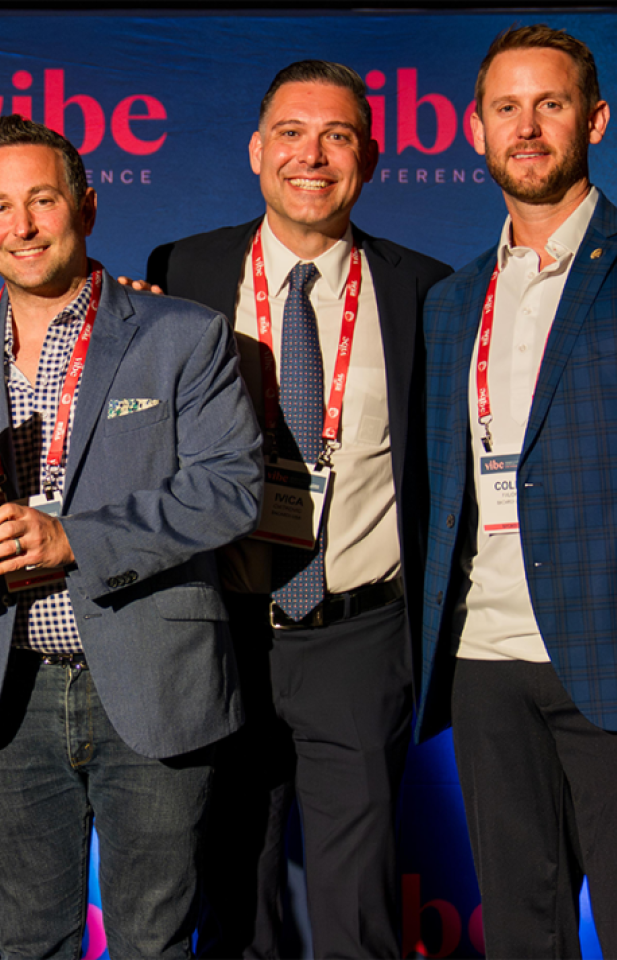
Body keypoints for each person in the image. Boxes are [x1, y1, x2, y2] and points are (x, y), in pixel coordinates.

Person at [0, 114, 262, 960]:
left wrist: (75, 541)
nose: (21, 226)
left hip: (149, 681)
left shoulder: (180, 335)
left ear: (88, 207)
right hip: (3, 690)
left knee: (153, 941)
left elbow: (229, 488)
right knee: (28, 943)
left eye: (42, 201)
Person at [146, 61, 451, 960]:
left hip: (358, 634)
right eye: (291, 133)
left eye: (338, 136)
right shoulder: (184, 268)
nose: (311, 156)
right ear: (255, 150)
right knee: (234, 895)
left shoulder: (423, 289)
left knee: (358, 912)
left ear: (372, 157)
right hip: (221, 629)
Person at [416, 25, 617, 959]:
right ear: (475, 130)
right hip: (486, 660)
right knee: (523, 939)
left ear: (596, 120)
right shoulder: (454, 302)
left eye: (551, 104)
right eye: (507, 107)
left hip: (609, 652)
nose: (527, 127)